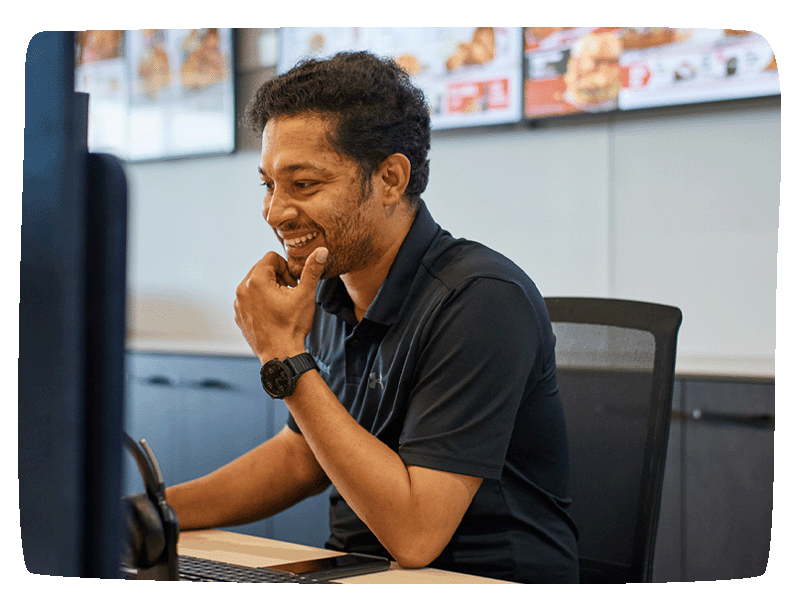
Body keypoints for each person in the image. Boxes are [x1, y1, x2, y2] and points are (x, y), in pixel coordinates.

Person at [165, 50, 579, 584]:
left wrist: (285, 358)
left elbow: (416, 535)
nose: (275, 212)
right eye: (269, 184)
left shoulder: (481, 299)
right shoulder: (331, 288)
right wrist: (151, 511)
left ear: (390, 179)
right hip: (357, 575)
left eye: (304, 184)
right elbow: (302, 455)